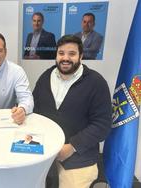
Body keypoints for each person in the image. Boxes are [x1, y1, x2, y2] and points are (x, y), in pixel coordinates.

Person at [33, 35, 112, 188]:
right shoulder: (46, 76)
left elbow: (102, 125)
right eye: (61, 53)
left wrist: (71, 147)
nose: (65, 58)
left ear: (81, 56)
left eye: (72, 54)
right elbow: (35, 108)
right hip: (45, 153)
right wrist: (22, 109)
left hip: (78, 157)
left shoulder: (96, 83)